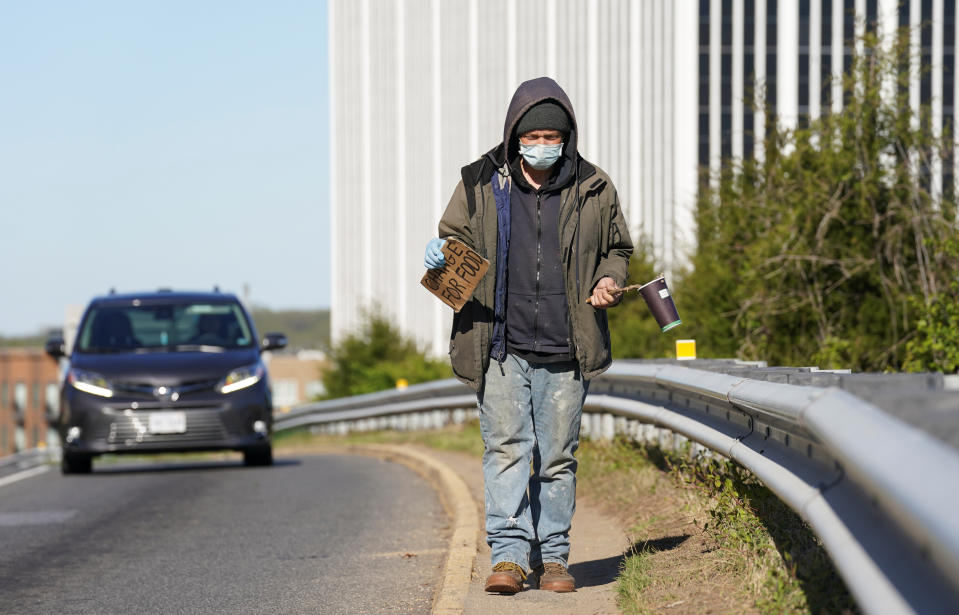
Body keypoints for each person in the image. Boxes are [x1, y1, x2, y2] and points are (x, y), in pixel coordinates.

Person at [423, 77, 633, 594]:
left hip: (567, 345)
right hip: (499, 344)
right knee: (506, 450)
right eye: (533, 136)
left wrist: (610, 279)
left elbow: (618, 249)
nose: (542, 145)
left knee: (558, 456)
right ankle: (511, 558)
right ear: (515, 134)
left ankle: (556, 559)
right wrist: (441, 249)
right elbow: (455, 239)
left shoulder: (595, 186)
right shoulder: (479, 182)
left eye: (551, 137)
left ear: (567, 139)